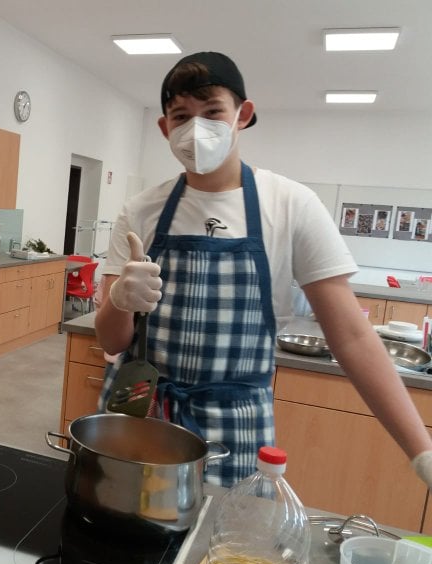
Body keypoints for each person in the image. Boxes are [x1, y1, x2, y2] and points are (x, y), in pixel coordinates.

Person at [95, 51, 432, 487]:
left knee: (229, 532)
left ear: (243, 114)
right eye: (181, 116)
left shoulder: (291, 206)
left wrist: (421, 451)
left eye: (212, 111)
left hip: (236, 425)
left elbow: (352, 337)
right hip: (143, 412)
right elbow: (111, 340)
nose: (196, 128)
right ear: (165, 128)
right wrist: (120, 300)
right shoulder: (141, 211)